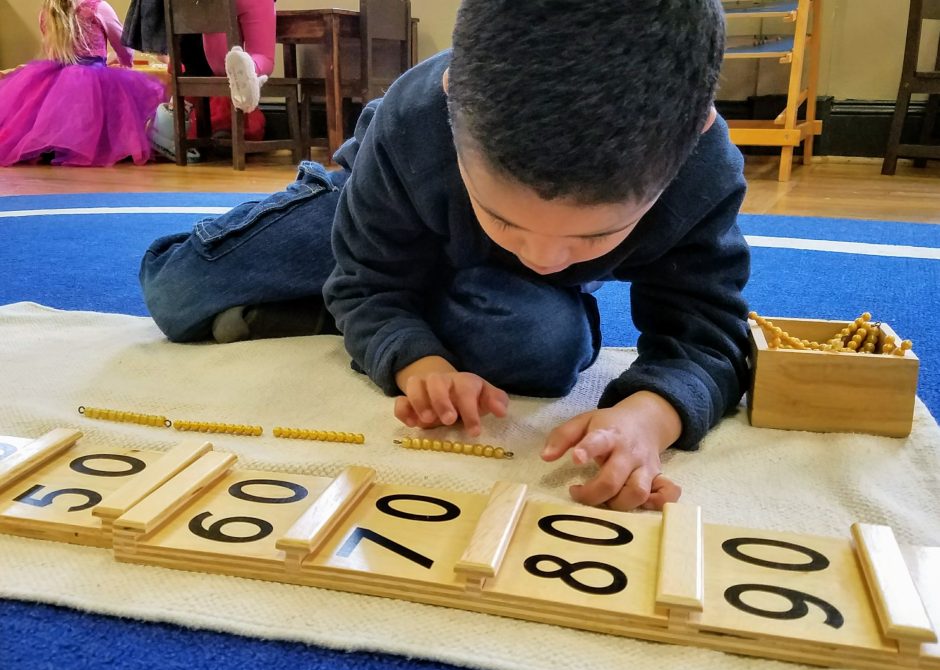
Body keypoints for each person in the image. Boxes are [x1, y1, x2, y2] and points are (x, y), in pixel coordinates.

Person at [140, 0, 750, 512]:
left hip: (477, 276)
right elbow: (366, 280)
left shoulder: (702, 171)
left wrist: (650, 416)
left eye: (593, 237)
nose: (544, 259)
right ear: (452, 98)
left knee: (541, 347)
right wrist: (417, 362)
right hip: (384, 209)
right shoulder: (414, 121)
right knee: (177, 293)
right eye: (505, 218)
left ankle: (348, 312)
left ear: (694, 133)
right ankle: (352, 287)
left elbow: (709, 337)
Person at [0, 0, 167, 167]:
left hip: (56, 76)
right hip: (92, 76)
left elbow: (55, 52)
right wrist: (124, 61)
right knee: (120, 98)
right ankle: (95, 146)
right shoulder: (97, 8)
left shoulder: (48, 11)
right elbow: (124, 46)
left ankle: (52, 144)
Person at [148, 0, 276, 160]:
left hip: (203, 57)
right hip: (227, 56)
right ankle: (251, 66)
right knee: (263, 55)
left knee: (192, 66)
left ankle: (169, 120)